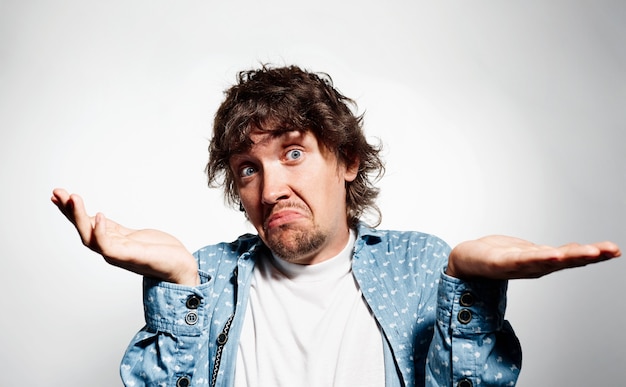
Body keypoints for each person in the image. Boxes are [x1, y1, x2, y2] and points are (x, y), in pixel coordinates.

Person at [51, 65, 620, 387]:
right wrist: (177, 281)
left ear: (347, 160)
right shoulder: (208, 279)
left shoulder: (421, 268)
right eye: (249, 168)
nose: (270, 189)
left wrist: (467, 290)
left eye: (293, 154)